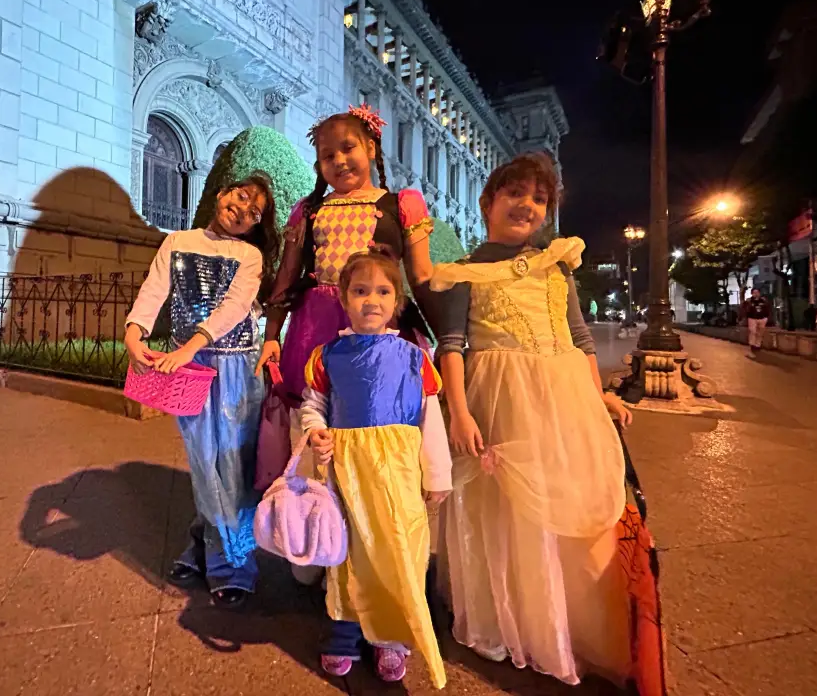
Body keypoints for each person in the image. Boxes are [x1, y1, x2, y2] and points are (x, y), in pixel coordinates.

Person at [425, 151, 652, 690]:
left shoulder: (558, 265)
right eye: (515, 194)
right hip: (498, 398)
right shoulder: (464, 271)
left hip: (564, 395)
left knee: (566, 498)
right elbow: (451, 346)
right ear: (488, 203)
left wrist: (600, 399)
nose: (527, 205)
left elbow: (579, 337)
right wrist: (458, 411)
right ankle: (517, 619)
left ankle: (571, 619)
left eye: (539, 198)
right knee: (506, 511)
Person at [256, 104, 435, 584]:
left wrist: (453, 337)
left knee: (378, 433)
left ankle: (373, 546)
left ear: (371, 148)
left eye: (348, 148)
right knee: (315, 429)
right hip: (316, 328)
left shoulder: (402, 206)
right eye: (326, 155)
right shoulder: (309, 209)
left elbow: (421, 278)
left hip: (381, 332)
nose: (338, 161)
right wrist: (272, 335)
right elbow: (286, 275)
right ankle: (315, 537)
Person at [124, 173, 280, 610]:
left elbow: (233, 308)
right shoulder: (176, 241)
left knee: (232, 466)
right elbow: (155, 290)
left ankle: (233, 565)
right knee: (203, 464)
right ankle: (205, 544)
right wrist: (134, 333)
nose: (244, 209)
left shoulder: (249, 256)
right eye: (242, 196)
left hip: (234, 366)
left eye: (256, 212)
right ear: (223, 192)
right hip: (188, 369)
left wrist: (190, 346)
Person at [302, 249, 452, 687]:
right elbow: (315, 405)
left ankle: (392, 638)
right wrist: (315, 432)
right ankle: (345, 631)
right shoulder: (327, 355)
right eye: (360, 290)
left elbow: (431, 418)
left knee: (398, 550)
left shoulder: (413, 356)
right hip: (347, 469)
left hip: (398, 472)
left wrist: (437, 474)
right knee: (348, 553)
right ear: (345, 299)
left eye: (383, 291)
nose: (372, 299)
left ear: (397, 301)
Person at [743, 287, 771, 358]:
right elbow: (744, 308)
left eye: (757, 292)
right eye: (754, 293)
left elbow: (768, 308)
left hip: (762, 319)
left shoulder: (763, 300)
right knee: (753, 332)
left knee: (760, 333)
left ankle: (757, 346)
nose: (756, 294)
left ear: (759, 293)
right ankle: (751, 346)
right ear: (752, 293)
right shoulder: (749, 301)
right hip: (752, 319)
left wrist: (766, 317)